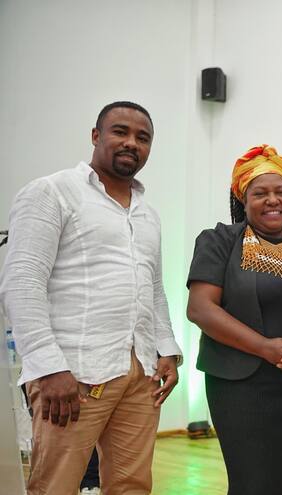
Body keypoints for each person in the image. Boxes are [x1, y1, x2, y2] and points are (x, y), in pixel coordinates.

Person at [0, 101, 182, 495]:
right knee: (56, 486)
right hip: (73, 373)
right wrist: (47, 367)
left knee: (132, 485)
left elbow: (153, 288)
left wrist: (166, 350)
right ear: (95, 136)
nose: (131, 143)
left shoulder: (147, 213)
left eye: (143, 137)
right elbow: (21, 281)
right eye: (120, 132)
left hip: (140, 373)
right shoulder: (52, 192)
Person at [186, 145, 282, 495]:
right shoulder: (219, 242)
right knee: (252, 483)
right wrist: (267, 349)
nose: (272, 200)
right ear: (242, 201)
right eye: (259, 193)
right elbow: (200, 309)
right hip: (239, 386)